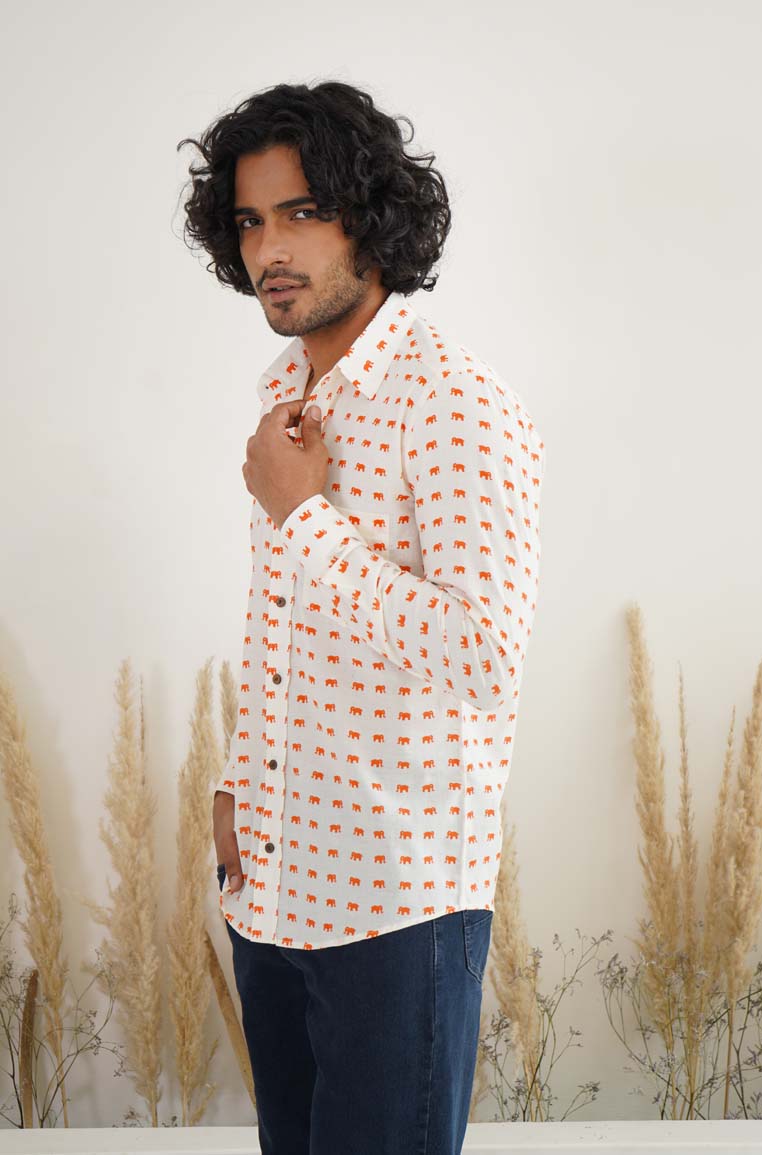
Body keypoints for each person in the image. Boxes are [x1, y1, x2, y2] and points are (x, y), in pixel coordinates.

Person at [177, 79, 546, 1155]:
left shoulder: (454, 399)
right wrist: (243, 783)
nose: (270, 249)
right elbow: (293, 631)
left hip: (397, 904)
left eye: (302, 212)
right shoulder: (288, 394)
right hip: (272, 883)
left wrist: (302, 516)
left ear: (370, 216)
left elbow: (482, 655)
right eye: (250, 220)